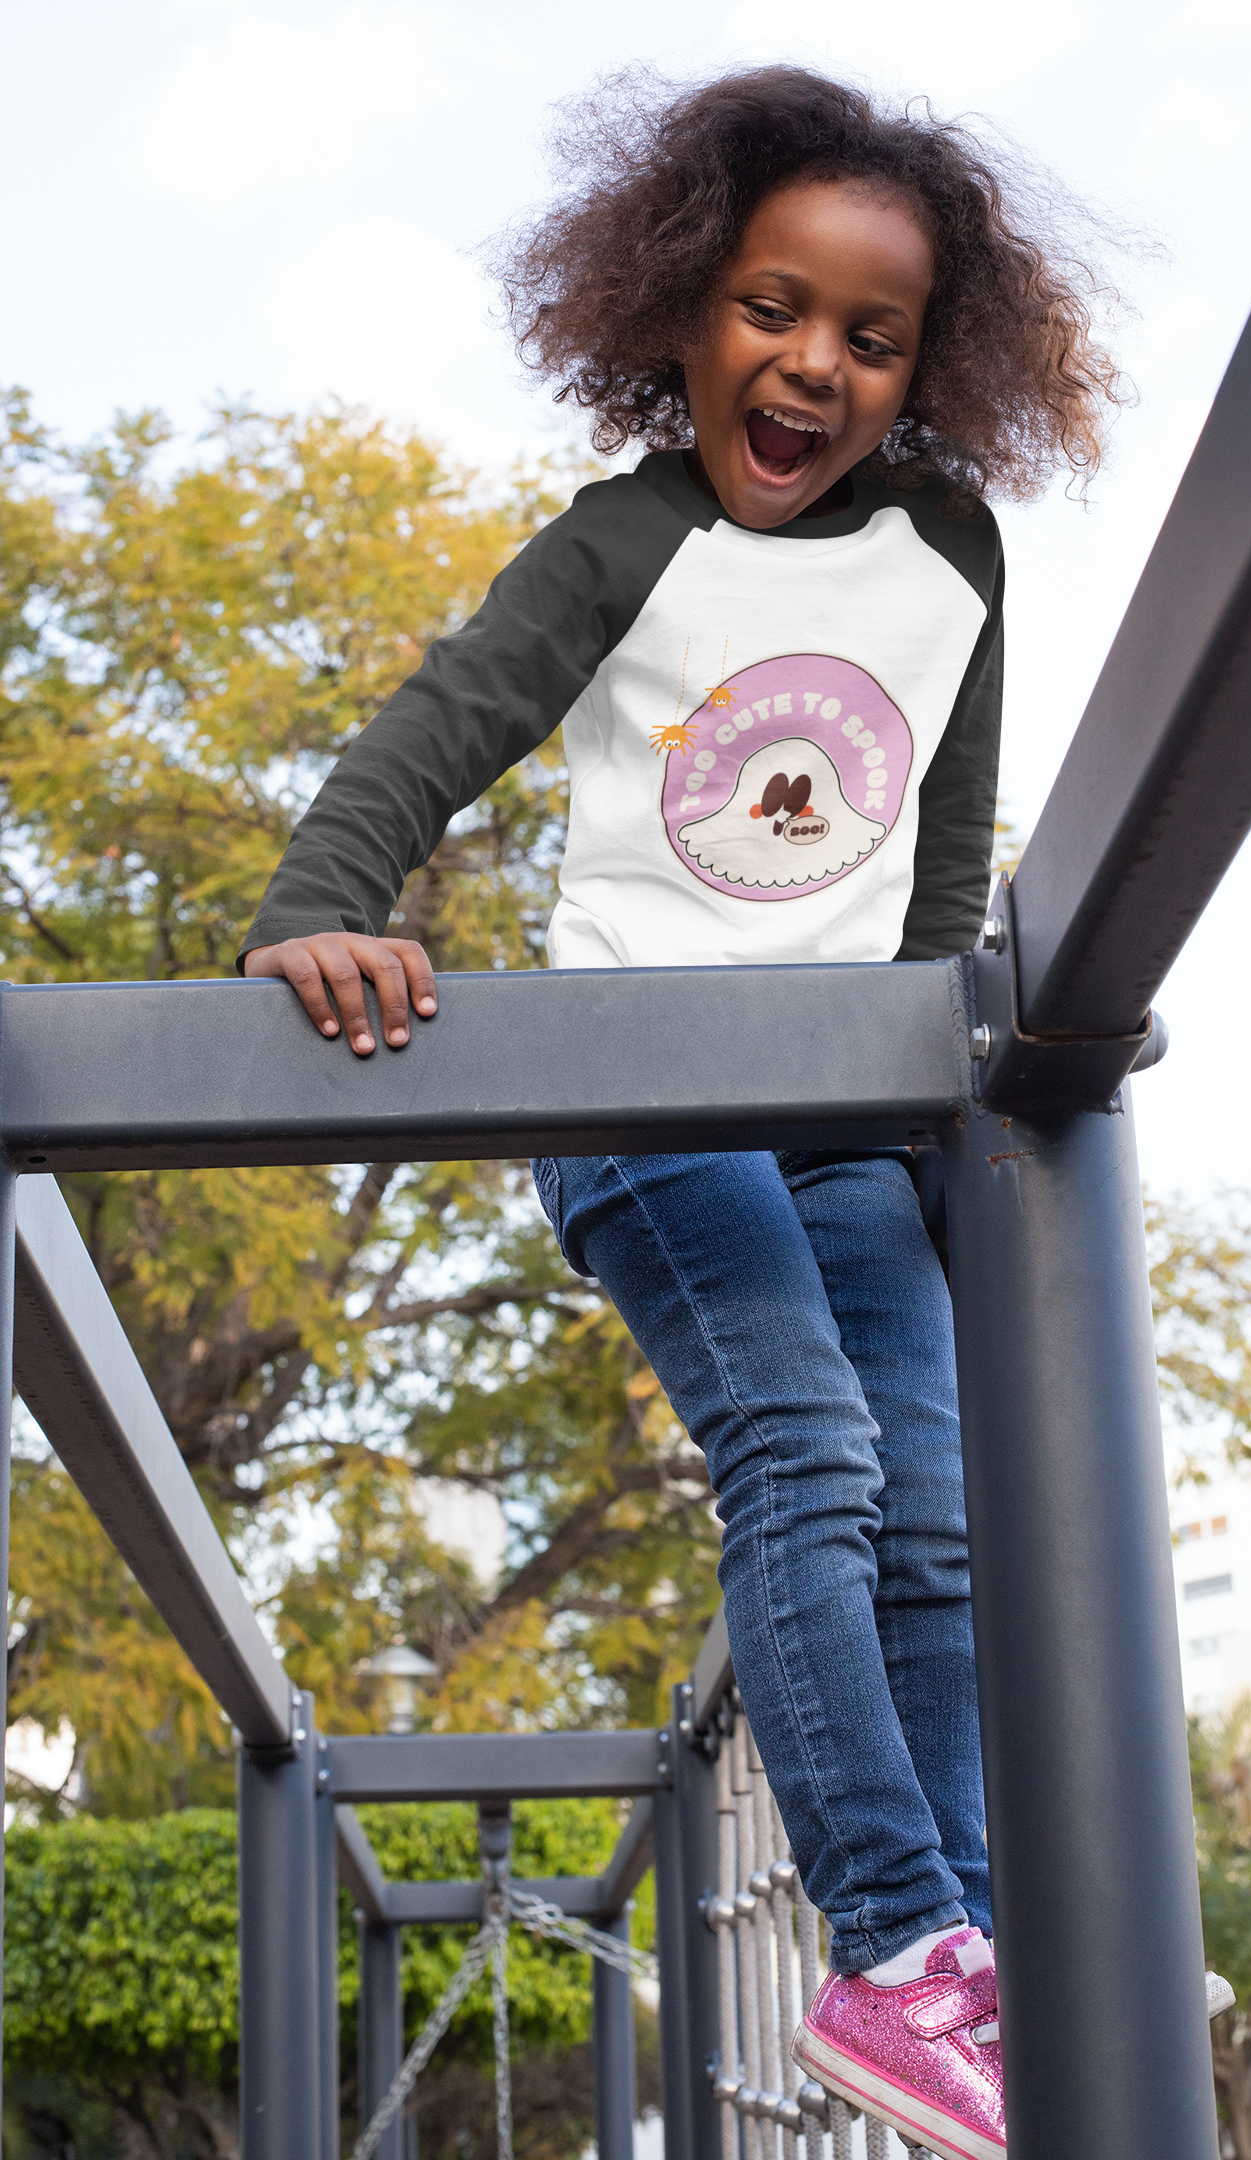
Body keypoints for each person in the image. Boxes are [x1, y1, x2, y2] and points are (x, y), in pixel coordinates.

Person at [239, 68, 1126, 2158]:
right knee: (801, 1444)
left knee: (936, 1499)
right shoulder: (628, 539)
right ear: (679, 312)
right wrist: (315, 913)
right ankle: (898, 1945)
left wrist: (941, 1105)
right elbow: (433, 730)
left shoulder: (952, 551)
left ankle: (972, 1955)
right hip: (643, 1079)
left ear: (926, 371)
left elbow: (946, 851)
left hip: (848, 1110)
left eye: (869, 336)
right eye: (767, 308)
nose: (810, 360)